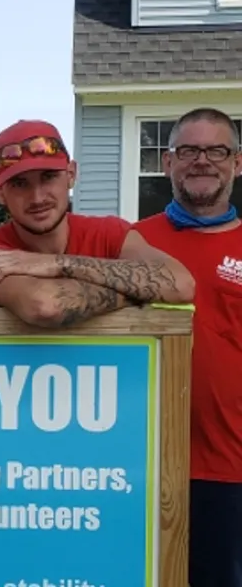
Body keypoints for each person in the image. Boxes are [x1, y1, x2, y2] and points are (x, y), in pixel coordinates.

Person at [132, 107, 242, 587]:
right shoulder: (132, 242)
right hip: (146, 467)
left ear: (237, 162)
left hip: (231, 471)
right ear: (166, 162)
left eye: (216, 150)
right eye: (188, 151)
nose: (202, 161)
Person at [0, 119, 194, 328]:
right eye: (20, 184)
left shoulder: (107, 232)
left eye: (48, 177)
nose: (37, 197)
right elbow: (46, 306)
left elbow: (181, 283)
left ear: (71, 174)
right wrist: (140, 291)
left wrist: (57, 263)